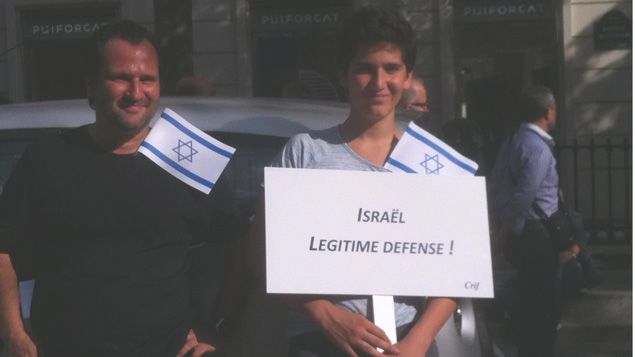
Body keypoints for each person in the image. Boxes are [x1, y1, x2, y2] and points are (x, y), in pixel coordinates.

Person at [215, 7, 456, 357]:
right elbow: (261, 255)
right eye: (364, 68)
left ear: (407, 78)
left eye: (391, 68)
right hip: (320, 341)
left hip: (409, 342)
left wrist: (418, 342)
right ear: (343, 75)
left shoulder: (433, 165)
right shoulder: (304, 153)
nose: (378, 82)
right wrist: (325, 314)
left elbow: (457, 268)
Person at [0, 20, 224, 357]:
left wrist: (216, 327)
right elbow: (4, 247)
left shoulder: (189, 156)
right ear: (91, 85)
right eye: (121, 78)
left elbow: (234, 247)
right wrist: (14, 334)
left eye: (147, 79)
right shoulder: (49, 156)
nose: (136, 93)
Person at [488, 85, 577, 357]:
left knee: (529, 299)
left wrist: (501, 225)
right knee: (542, 303)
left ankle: (528, 346)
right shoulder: (537, 148)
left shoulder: (512, 141)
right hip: (535, 234)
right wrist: (508, 231)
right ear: (548, 112)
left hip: (523, 232)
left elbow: (498, 187)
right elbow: (525, 194)